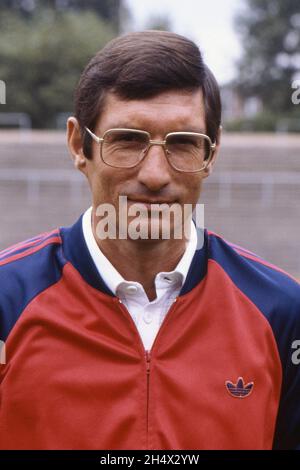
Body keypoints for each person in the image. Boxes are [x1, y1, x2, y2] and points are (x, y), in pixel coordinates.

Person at [0, 30, 300, 451]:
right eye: (127, 141)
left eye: (184, 144)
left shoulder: (283, 312)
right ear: (77, 145)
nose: (156, 175)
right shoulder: (6, 302)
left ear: (211, 154)